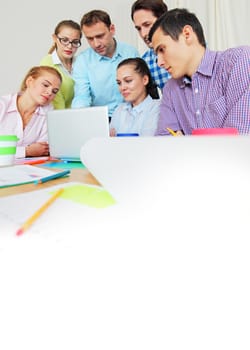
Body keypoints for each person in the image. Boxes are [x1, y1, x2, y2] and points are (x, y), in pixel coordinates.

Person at [148, 8, 250, 135]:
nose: (159, 62)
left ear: (187, 34)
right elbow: (165, 141)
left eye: (162, 49)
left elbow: (240, 137)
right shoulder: (170, 89)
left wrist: (184, 144)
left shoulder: (238, 61)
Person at [72, 10, 139, 119]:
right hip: (101, 119)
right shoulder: (83, 61)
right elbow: (82, 96)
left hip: (132, 116)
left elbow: (141, 90)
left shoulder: (131, 53)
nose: (96, 44)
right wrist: (79, 117)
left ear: (112, 29)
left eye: (100, 36)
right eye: (90, 39)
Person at [0, 66, 62, 158]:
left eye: (54, 91)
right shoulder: (3, 105)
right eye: (45, 85)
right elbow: (34, 151)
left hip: (29, 169)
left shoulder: (48, 114)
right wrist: (27, 151)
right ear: (29, 81)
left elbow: (42, 150)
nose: (50, 92)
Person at [110, 57, 160, 136]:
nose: (122, 87)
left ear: (145, 80)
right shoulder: (118, 111)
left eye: (128, 81)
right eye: (119, 83)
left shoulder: (158, 108)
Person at [40, 20, 82, 109]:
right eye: (64, 40)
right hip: (60, 117)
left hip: (82, 115)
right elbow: (57, 104)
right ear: (55, 38)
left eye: (75, 42)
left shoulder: (81, 62)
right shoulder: (47, 64)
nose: (70, 46)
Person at [131, 0, 170, 91]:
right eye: (139, 28)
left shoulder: (190, 49)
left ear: (163, 20)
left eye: (147, 25)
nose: (143, 34)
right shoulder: (146, 62)